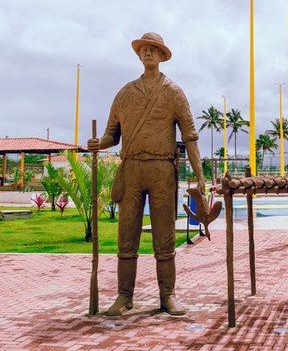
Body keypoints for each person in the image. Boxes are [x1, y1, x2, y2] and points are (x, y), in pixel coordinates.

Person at [88, 32, 207, 316]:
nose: (148, 53)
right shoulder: (125, 93)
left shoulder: (174, 92)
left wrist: (200, 175)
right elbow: (112, 134)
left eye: (154, 49)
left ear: (162, 55)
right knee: (126, 236)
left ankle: (167, 295)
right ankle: (124, 296)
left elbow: (190, 136)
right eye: (144, 49)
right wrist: (99, 143)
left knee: (164, 237)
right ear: (139, 55)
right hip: (131, 170)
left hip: (162, 170)